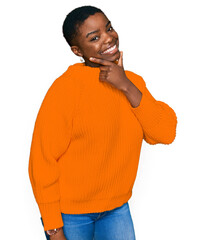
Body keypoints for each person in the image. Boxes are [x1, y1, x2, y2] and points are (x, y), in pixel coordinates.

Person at [28, 5, 177, 240]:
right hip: (71, 214)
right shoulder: (66, 89)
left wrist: (126, 85)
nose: (108, 38)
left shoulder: (132, 83)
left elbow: (165, 133)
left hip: (117, 210)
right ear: (77, 50)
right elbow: (42, 161)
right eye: (94, 37)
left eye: (108, 28)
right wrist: (53, 228)